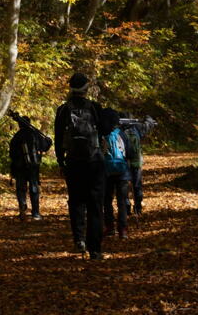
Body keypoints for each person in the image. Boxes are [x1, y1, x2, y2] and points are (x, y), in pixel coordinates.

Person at [53, 73, 109, 259]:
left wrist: (61, 161)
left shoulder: (62, 110)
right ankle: (95, 249)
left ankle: (79, 239)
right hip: (94, 161)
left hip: (74, 162)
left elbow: (58, 137)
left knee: (76, 201)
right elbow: (105, 130)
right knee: (95, 205)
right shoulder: (94, 108)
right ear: (86, 89)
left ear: (70, 88)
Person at [7, 110, 52, 220]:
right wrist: (49, 141)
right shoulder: (35, 135)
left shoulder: (16, 137)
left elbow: (11, 154)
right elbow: (45, 146)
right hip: (33, 166)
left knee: (21, 188)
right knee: (34, 187)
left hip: (20, 167)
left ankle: (22, 207)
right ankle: (35, 213)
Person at [99, 107, 130, 238]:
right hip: (122, 172)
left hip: (106, 172)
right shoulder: (122, 134)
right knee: (121, 201)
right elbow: (130, 152)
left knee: (107, 200)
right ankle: (122, 229)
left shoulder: (101, 134)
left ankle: (109, 227)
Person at [120, 117, 145, 216]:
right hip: (137, 162)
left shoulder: (120, 131)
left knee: (124, 186)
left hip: (124, 162)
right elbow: (147, 126)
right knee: (137, 185)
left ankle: (127, 208)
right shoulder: (137, 128)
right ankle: (138, 208)